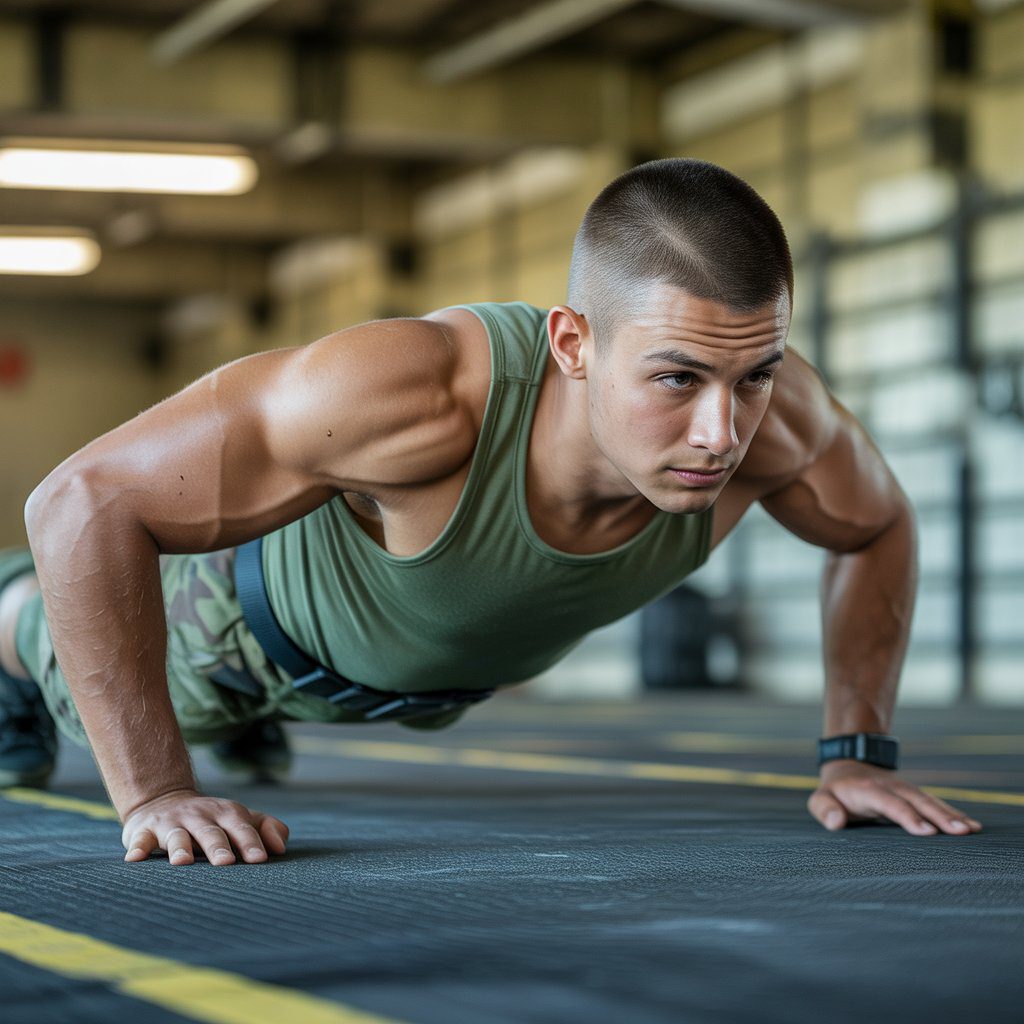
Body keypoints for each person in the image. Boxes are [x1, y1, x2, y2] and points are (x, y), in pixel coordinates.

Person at [0, 158, 982, 868]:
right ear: (570, 343)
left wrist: (857, 751)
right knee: (87, 662)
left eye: (754, 374)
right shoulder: (415, 391)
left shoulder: (776, 421)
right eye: (676, 378)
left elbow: (877, 522)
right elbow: (83, 500)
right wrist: (158, 790)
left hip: (408, 675)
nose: (721, 432)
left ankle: (249, 728)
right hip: (228, 632)